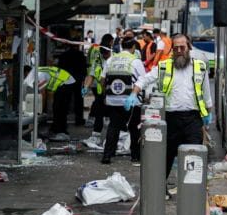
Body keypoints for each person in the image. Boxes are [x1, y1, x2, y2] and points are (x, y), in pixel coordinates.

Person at [126, 33, 213, 179]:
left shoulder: (200, 67)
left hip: (193, 119)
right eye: (176, 48)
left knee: (194, 156)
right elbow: (145, 79)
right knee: (166, 157)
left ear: (189, 47)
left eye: (182, 47)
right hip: (171, 119)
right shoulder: (164, 66)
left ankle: (193, 194)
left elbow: (206, 94)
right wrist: (133, 93)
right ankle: (160, 190)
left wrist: (207, 114)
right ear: (172, 49)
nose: (179, 50)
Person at [101, 37, 146, 164]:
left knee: (113, 126)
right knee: (134, 127)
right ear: (133, 48)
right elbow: (143, 80)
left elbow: (102, 79)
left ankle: (107, 155)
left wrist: (106, 94)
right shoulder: (135, 61)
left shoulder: (111, 59)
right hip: (130, 100)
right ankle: (135, 155)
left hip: (113, 99)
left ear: (121, 47)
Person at [23, 64, 75, 140]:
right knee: (56, 107)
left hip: (66, 82)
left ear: (27, 72)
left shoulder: (38, 74)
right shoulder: (38, 72)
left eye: (25, 75)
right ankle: (54, 130)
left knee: (59, 108)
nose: (25, 77)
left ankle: (61, 133)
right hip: (65, 82)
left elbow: (43, 94)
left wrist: (39, 110)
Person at [82, 34, 114, 149]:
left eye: (106, 54)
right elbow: (91, 75)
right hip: (101, 92)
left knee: (114, 116)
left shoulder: (115, 60)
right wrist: (86, 87)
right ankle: (96, 136)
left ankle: (115, 139)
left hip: (113, 93)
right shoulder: (98, 60)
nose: (105, 56)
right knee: (99, 114)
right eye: (103, 54)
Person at [58, 44, 88, 127]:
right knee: (78, 100)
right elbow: (84, 68)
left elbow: (60, 67)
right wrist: (83, 77)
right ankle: (79, 119)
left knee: (66, 100)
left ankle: (63, 120)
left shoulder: (64, 55)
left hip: (67, 79)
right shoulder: (80, 55)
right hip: (77, 79)